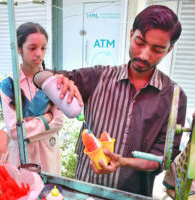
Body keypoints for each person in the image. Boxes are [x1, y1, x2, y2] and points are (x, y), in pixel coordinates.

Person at [36, 5, 187, 196]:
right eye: (139, 42)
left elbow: (163, 158)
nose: (144, 55)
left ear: (169, 49)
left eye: (157, 49)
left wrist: (123, 162)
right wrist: (54, 80)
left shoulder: (174, 97)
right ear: (131, 34)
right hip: (85, 192)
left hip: (132, 195)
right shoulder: (99, 76)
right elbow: (39, 78)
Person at [0, 22, 63, 175]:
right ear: (19, 49)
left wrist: (28, 126)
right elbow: (15, 131)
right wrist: (46, 118)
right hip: (22, 157)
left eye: (43, 48)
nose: (39, 54)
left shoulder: (53, 80)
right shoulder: (9, 85)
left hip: (49, 154)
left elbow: (58, 122)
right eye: (32, 48)